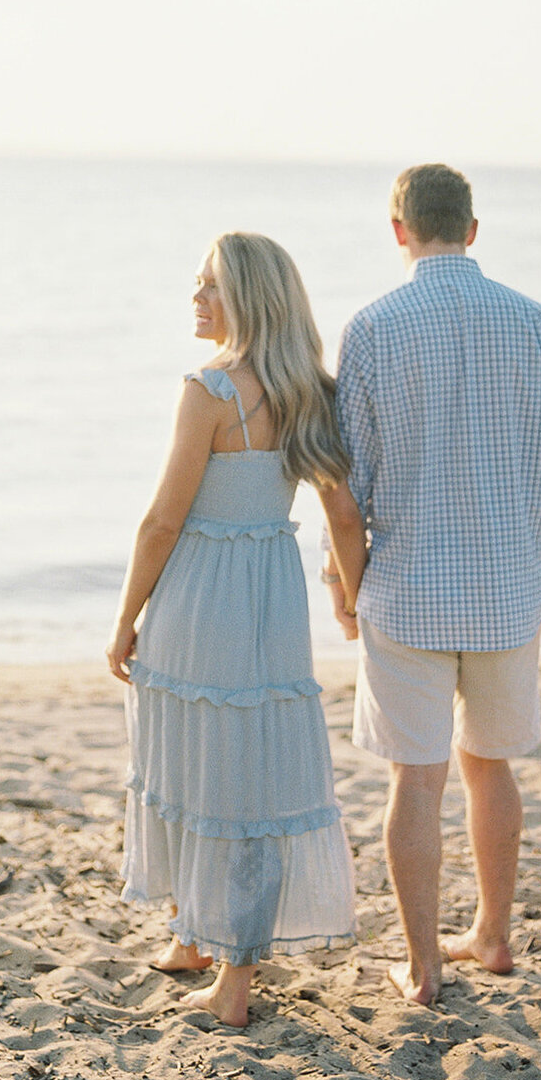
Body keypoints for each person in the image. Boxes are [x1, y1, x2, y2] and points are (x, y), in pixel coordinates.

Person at [321, 163, 541, 1007]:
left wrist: (342, 580)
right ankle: (494, 935)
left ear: (398, 229)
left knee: (416, 775)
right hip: (510, 588)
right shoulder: (537, 323)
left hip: (406, 590)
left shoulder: (371, 327)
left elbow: (348, 478)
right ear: (473, 229)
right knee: (492, 766)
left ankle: (424, 964)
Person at [108, 232, 366, 1028]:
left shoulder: (208, 388)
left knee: (200, 762)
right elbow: (343, 515)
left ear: (246, 299)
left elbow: (161, 520)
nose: (195, 299)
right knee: (239, 765)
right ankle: (195, 932)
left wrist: (124, 619)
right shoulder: (308, 391)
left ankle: (234, 984)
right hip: (269, 598)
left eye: (209, 286)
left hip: (196, 594)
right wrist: (351, 598)